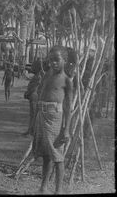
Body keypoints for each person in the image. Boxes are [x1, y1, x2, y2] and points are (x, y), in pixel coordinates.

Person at [32, 46, 73, 194]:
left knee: (57, 155)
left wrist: (66, 129)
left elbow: (69, 107)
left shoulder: (66, 80)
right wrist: (33, 122)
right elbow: (40, 95)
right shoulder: (47, 75)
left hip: (55, 117)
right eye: (50, 60)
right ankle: (43, 188)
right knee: (46, 154)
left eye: (56, 60)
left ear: (65, 61)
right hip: (41, 116)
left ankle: (59, 190)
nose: (53, 63)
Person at [22, 59, 48, 136]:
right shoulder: (37, 76)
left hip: (34, 96)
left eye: (34, 67)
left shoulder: (39, 77)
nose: (32, 68)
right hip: (33, 96)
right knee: (32, 114)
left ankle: (32, 131)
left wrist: (28, 92)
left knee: (34, 115)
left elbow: (35, 88)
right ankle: (30, 130)